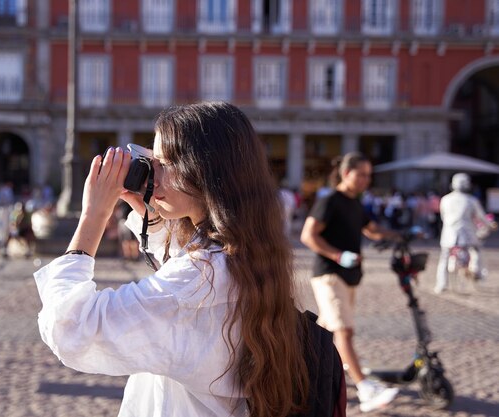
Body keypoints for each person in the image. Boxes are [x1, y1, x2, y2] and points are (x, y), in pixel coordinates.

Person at [35, 102, 346, 417]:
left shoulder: (200, 277)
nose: (152, 176)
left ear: (203, 171)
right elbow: (181, 293)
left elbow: (71, 328)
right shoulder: (243, 250)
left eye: (164, 163)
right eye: (152, 161)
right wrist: (153, 215)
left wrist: (93, 216)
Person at [300, 151, 401, 413]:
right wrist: (337, 254)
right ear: (347, 173)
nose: (366, 180)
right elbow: (308, 235)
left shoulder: (356, 202)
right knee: (343, 331)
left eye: (369, 175)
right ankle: (365, 387)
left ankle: (299, 371)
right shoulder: (330, 200)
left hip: (350, 277)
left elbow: (371, 230)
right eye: (362, 174)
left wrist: (401, 234)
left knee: (323, 332)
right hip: (329, 274)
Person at [434, 173, 497, 294]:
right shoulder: (471, 200)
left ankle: (441, 284)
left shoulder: (445, 199)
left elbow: (443, 216)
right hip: (467, 234)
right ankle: (477, 272)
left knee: (444, 257)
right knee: (476, 251)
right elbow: (482, 217)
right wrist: (490, 225)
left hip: (449, 233)